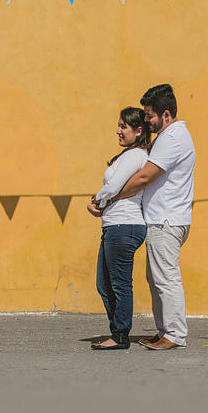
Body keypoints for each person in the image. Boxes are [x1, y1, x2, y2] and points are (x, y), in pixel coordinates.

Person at [97, 84, 195, 350]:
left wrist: (110, 199)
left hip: (166, 220)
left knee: (166, 278)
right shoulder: (168, 137)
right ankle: (164, 330)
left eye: (149, 115)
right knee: (156, 278)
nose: (146, 120)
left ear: (165, 114)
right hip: (162, 219)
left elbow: (143, 177)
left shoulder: (173, 138)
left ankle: (175, 335)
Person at [87, 107, 151, 350]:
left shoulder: (136, 155)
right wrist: (102, 203)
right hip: (115, 226)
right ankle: (118, 332)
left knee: (120, 283)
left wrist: (97, 200)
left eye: (124, 126)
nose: (118, 131)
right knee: (104, 284)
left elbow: (114, 186)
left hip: (124, 226)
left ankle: (120, 335)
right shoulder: (129, 155)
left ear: (138, 130)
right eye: (119, 125)